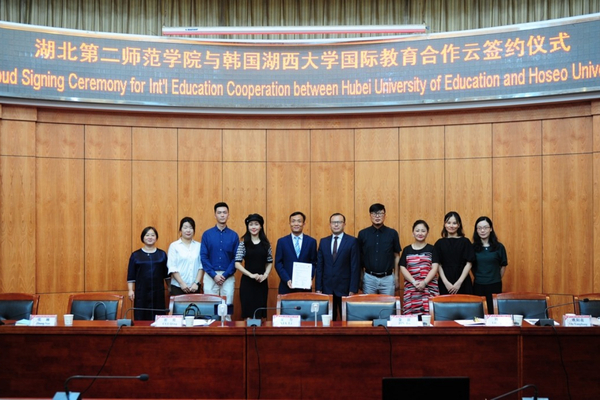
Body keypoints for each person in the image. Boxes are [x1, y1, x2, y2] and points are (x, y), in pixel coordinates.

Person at [316, 213, 360, 320]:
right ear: (330, 224)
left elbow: (355, 267)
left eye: (339, 222)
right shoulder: (323, 242)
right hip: (327, 288)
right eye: (333, 222)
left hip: (345, 288)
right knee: (328, 320)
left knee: (346, 319)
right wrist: (318, 288)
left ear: (344, 224)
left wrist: (353, 288)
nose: (336, 225)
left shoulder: (352, 241)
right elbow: (319, 267)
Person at [201, 202, 239, 311]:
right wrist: (214, 275)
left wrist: (225, 275)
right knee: (209, 310)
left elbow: (236, 258)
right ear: (215, 215)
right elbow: (204, 257)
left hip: (228, 276)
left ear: (228, 215)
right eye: (219, 213)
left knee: (227, 309)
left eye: (224, 212)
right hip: (210, 276)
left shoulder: (234, 235)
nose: (222, 215)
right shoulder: (207, 234)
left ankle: (226, 322)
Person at [357, 203, 402, 295]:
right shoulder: (363, 234)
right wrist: (361, 277)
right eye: (374, 214)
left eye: (380, 213)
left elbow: (397, 256)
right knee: (369, 304)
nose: (377, 216)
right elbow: (359, 257)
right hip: (369, 278)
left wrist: (396, 277)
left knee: (388, 304)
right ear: (370, 216)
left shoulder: (392, 233)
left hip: (388, 278)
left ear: (385, 215)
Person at [235, 214, 273, 320]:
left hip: (261, 282)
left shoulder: (266, 244)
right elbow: (237, 263)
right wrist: (251, 275)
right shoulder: (243, 244)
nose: (253, 227)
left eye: (256, 224)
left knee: (260, 316)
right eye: (251, 224)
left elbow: (270, 262)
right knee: (248, 315)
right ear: (248, 227)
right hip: (247, 283)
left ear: (261, 226)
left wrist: (265, 275)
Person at [127, 226, 170, 320]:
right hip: (141, 292)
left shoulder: (162, 254)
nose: (150, 237)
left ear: (156, 238)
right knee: (141, 316)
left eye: (152, 235)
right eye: (147, 235)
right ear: (143, 237)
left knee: (159, 316)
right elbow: (131, 275)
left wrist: (170, 288)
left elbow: (166, 275)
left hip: (158, 292)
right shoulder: (135, 255)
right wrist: (130, 290)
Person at [399, 220, 440, 316]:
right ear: (413, 233)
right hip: (411, 289)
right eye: (417, 231)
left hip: (429, 289)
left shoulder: (432, 249)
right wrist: (414, 282)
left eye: (423, 231)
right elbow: (402, 267)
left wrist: (424, 282)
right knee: (411, 318)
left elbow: (435, 268)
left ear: (427, 233)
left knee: (430, 317)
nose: (420, 233)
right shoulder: (407, 250)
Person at [274, 211, 318, 294]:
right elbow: (278, 263)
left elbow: (314, 263)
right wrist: (287, 279)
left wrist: (309, 277)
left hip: (305, 287)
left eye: (299, 221)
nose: (296, 224)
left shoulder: (311, 241)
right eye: (293, 221)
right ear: (289, 224)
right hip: (286, 286)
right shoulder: (282, 242)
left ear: (304, 224)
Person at [472, 216, 508, 313]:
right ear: (476, 230)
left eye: (485, 227)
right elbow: (471, 266)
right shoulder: (473, 248)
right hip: (478, 285)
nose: (482, 230)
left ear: (491, 229)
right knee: (479, 313)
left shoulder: (499, 247)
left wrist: (495, 277)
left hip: (494, 285)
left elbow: (503, 265)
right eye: (479, 228)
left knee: (494, 312)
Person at [434, 211, 475, 295]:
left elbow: (469, 263)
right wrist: (446, 283)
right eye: (448, 223)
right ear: (445, 224)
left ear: (459, 225)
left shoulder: (465, 242)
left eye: (454, 223)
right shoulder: (439, 243)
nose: (451, 226)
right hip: (445, 282)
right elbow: (438, 264)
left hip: (463, 281)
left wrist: (459, 283)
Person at [168, 217, 203, 295]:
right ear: (180, 230)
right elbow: (172, 267)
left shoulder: (199, 246)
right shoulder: (174, 246)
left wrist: (196, 283)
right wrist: (181, 283)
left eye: (191, 228)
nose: (188, 230)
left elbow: (201, 266)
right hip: (178, 286)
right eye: (185, 227)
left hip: (195, 287)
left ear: (194, 230)